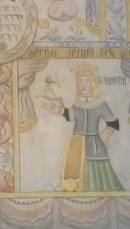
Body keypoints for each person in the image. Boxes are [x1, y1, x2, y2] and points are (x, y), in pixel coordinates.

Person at [42, 62, 123, 191]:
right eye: (80, 81)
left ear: (92, 82)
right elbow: (71, 116)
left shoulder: (100, 104)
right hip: (76, 146)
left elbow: (114, 122)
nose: (83, 84)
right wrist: (56, 109)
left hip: (94, 147)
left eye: (86, 80)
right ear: (77, 84)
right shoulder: (78, 103)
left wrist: (105, 135)